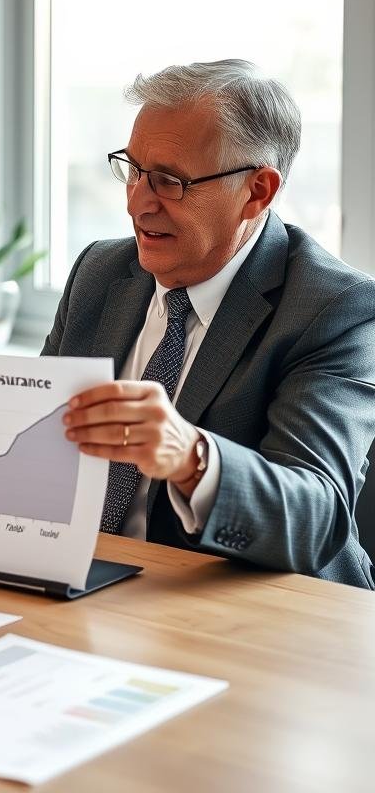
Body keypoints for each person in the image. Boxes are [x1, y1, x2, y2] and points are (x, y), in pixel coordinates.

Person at [44, 59, 375, 588]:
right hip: (92, 587)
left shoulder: (333, 309)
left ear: (257, 191)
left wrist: (190, 457)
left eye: (169, 182)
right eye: (133, 169)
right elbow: (48, 449)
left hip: (261, 614)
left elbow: (317, 521)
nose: (137, 203)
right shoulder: (100, 273)